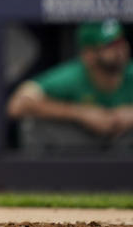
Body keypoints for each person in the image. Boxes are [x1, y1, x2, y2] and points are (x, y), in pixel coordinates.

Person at [7, 19, 133, 151]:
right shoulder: (73, 75)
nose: (120, 50)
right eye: (110, 45)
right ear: (88, 55)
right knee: (33, 124)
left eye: (121, 42)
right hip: (82, 146)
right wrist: (80, 113)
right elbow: (17, 104)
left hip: (125, 151)